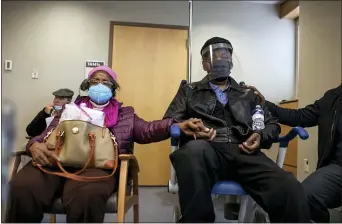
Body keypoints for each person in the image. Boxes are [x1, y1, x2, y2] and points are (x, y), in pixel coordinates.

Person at [7, 66, 211, 223]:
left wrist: (175, 124)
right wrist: (33, 146)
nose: (99, 85)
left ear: (113, 88)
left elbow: (148, 129)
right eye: (95, 81)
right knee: (22, 187)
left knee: (86, 195)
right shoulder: (68, 110)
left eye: (105, 82)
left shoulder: (125, 114)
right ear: (87, 86)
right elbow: (43, 135)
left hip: (97, 166)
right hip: (55, 162)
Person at [163, 37, 311, 222]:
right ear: (205, 64)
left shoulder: (247, 93)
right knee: (191, 151)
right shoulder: (189, 91)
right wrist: (187, 128)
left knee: (290, 187)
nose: (223, 60)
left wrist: (260, 134)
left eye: (227, 56)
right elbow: (169, 122)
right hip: (206, 148)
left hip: (244, 150)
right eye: (217, 56)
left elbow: (272, 123)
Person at [245, 83, 342, 223]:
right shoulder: (333, 97)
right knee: (304, 195)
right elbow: (299, 116)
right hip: (337, 168)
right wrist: (264, 103)